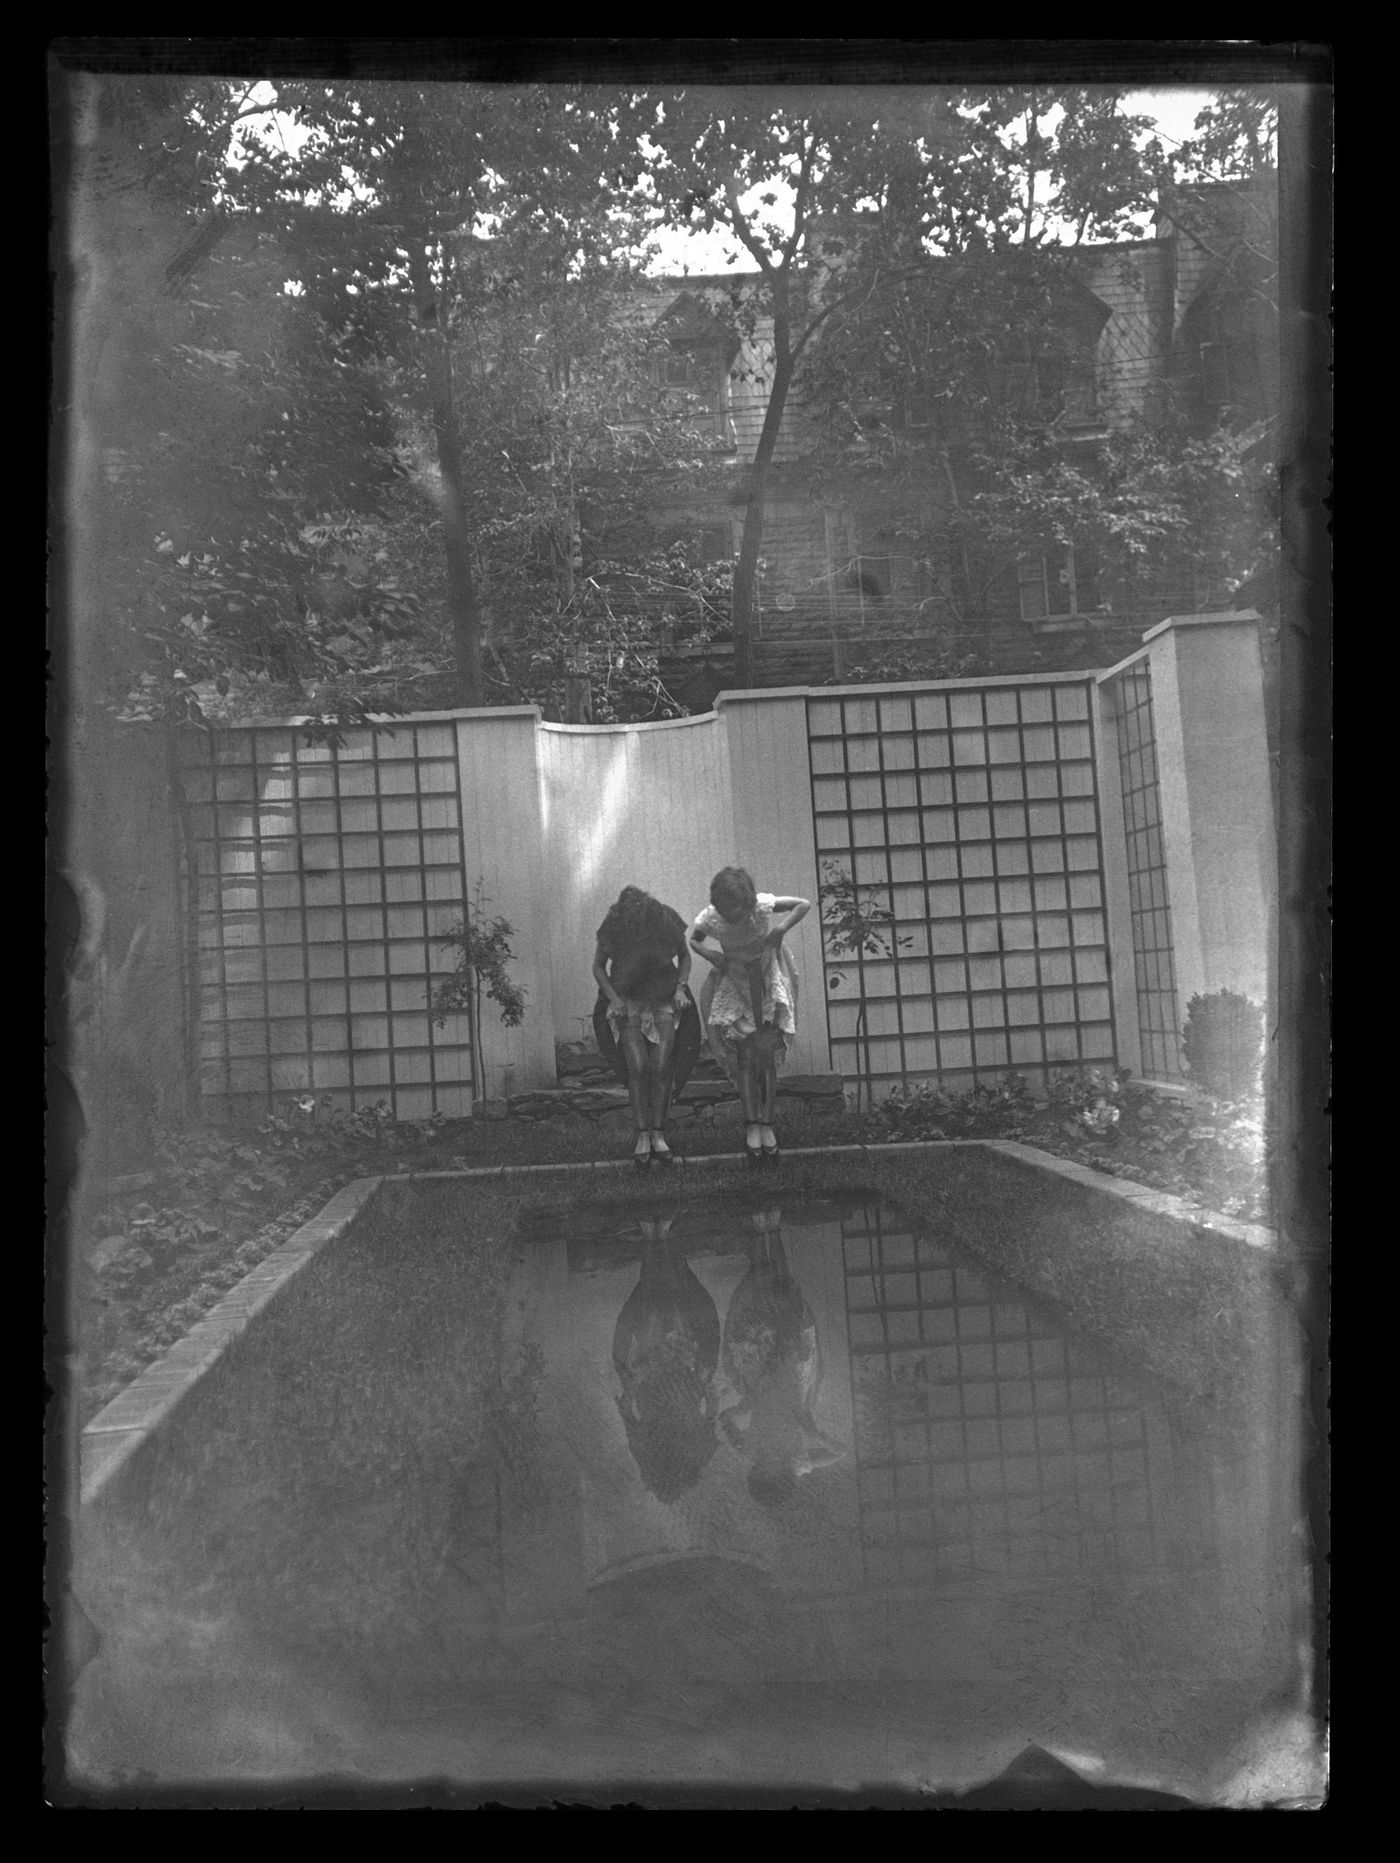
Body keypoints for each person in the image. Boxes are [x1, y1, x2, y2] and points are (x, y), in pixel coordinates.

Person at [688, 866, 811, 1167]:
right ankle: (751, 1124)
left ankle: (767, 1124)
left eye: (738, 907)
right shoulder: (710, 918)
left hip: (767, 979)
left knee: (765, 1053)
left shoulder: (761, 906)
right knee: (745, 1055)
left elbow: (803, 904)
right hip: (736, 981)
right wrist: (712, 955)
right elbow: (694, 940)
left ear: (747, 901)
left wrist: (780, 930)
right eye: (727, 908)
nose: (734, 914)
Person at [592, 886, 698, 1167]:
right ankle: (641, 1136)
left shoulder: (666, 920)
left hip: (663, 999)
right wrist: (613, 999)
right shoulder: (612, 928)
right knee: (637, 1068)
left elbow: (685, 957)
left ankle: (659, 1135)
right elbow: (598, 967)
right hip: (628, 1002)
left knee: (661, 1066)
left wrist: (681, 989)